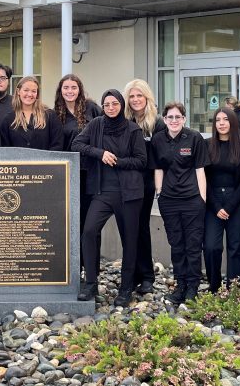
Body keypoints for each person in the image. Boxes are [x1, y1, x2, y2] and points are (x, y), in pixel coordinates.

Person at [71, 89, 147, 306]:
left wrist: (118, 161)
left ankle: (126, 288)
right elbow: (76, 144)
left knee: (129, 241)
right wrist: (100, 153)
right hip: (102, 192)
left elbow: (141, 161)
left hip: (129, 194)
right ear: (102, 107)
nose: (111, 108)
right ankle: (91, 283)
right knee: (89, 231)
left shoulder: (133, 129)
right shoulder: (96, 124)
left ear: (121, 105)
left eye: (115, 104)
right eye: (107, 104)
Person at [151, 101, 209, 304]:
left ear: (184, 119)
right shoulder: (158, 139)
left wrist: (202, 199)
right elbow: (158, 169)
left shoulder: (194, 138)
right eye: (170, 117)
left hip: (192, 200)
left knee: (193, 245)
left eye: (178, 117)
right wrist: (159, 193)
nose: (174, 120)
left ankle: (193, 287)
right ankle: (180, 284)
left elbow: (200, 170)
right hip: (169, 201)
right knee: (176, 244)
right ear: (164, 119)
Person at [204, 108, 240, 293]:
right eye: (218, 120)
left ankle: (234, 290)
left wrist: (230, 206)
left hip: (237, 202)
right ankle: (214, 286)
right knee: (211, 246)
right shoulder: (207, 145)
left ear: (232, 122)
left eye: (225, 119)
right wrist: (217, 206)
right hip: (213, 202)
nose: (222, 123)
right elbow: (202, 177)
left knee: (235, 247)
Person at [56, 74, 103, 260]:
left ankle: (91, 266)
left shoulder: (92, 108)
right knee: (73, 220)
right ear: (60, 91)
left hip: (92, 171)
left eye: (74, 87)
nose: (70, 91)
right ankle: (76, 264)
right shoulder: (55, 113)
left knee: (91, 222)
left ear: (80, 89)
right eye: (66, 87)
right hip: (70, 174)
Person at [125, 79, 165, 295]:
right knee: (128, 228)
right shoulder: (124, 121)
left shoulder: (157, 123)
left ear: (147, 97)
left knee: (141, 227)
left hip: (146, 183)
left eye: (139, 95)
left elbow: (161, 157)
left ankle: (147, 276)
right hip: (125, 182)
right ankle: (131, 275)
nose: (135, 99)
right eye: (132, 96)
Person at [0, 76, 63, 150]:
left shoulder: (50, 116)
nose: (30, 94)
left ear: (37, 94)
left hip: (45, 158)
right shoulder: (8, 120)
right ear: (18, 91)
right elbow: (5, 150)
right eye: (26, 90)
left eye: (33, 91)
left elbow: (57, 145)